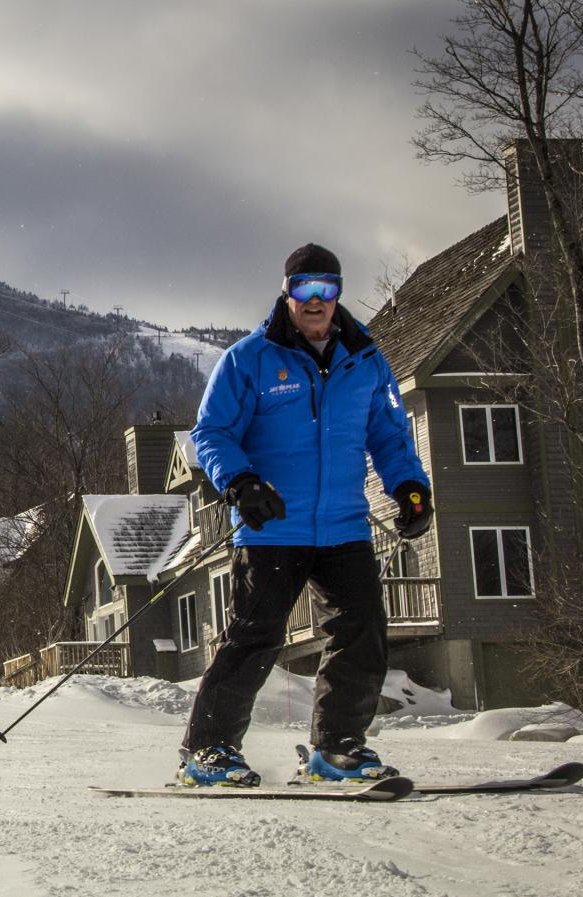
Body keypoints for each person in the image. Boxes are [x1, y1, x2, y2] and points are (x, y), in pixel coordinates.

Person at [179, 243, 433, 787]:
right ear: (287, 292)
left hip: (344, 523)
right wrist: (241, 482)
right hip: (273, 526)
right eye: (303, 289)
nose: (315, 301)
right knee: (256, 637)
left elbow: (388, 434)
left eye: (326, 288)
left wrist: (410, 486)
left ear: (338, 293)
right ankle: (208, 751)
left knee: (362, 633)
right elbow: (212, 433)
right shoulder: (250, 358)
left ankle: (336, 748)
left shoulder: (366, 359)